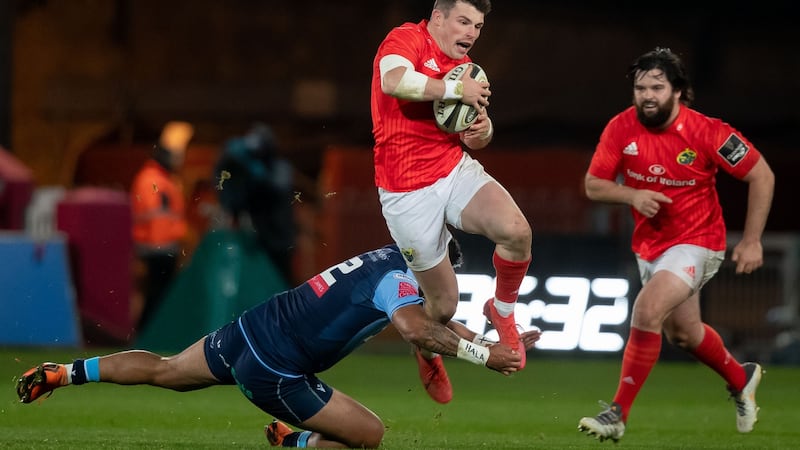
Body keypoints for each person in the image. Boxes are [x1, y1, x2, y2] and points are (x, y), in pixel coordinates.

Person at [16, 239, 541, 449]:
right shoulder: (402, 286)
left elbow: (430, 320)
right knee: (370, 436)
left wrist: (492, 339)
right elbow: (416, 328)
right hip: (277, 370)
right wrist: (485, 355)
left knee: (165, 370)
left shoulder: (390, 257)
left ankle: (66, 373)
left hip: (251, 328)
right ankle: (296, 441)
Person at [577, 47, 775, 442]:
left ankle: (618, 413)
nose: (647, 95)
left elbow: (762, 176)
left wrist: (752, 240)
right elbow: (593, 184)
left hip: (699, 241)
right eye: (640, 87)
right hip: (651, 245)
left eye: (657, 86)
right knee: (683, 334)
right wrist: (631, 196)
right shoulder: (621, 128)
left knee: (647, 309)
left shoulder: (709, 131)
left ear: (679, 91)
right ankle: (742, 378)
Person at [370, 0, 533, 402]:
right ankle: (426, 352)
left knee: (516, 232)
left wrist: (483, 129)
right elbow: (393, 81)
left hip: (452, 168)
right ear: (437, 19)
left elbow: (476, 132)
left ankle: (503, 312)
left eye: (478, 26)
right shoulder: (406, 38)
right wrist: (458, 88)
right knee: (442, 306)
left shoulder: (468, 69)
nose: (471, 33)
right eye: (463, 22)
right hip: (405, 189)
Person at [130, 121, 194, 332]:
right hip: (159, 249)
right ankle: (148, 335)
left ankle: (149, 335)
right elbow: (159, 219)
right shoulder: (154, 180)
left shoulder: (158, 179)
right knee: (157, 298)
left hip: (160, 248)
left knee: (157, 297)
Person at [214, 123, 296, 284]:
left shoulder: (281, 168)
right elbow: (235, 202)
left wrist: (252, 169)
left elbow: (277, 188)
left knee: (280, 284)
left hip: (280, 240)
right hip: (258, 242)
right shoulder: (251, 175)